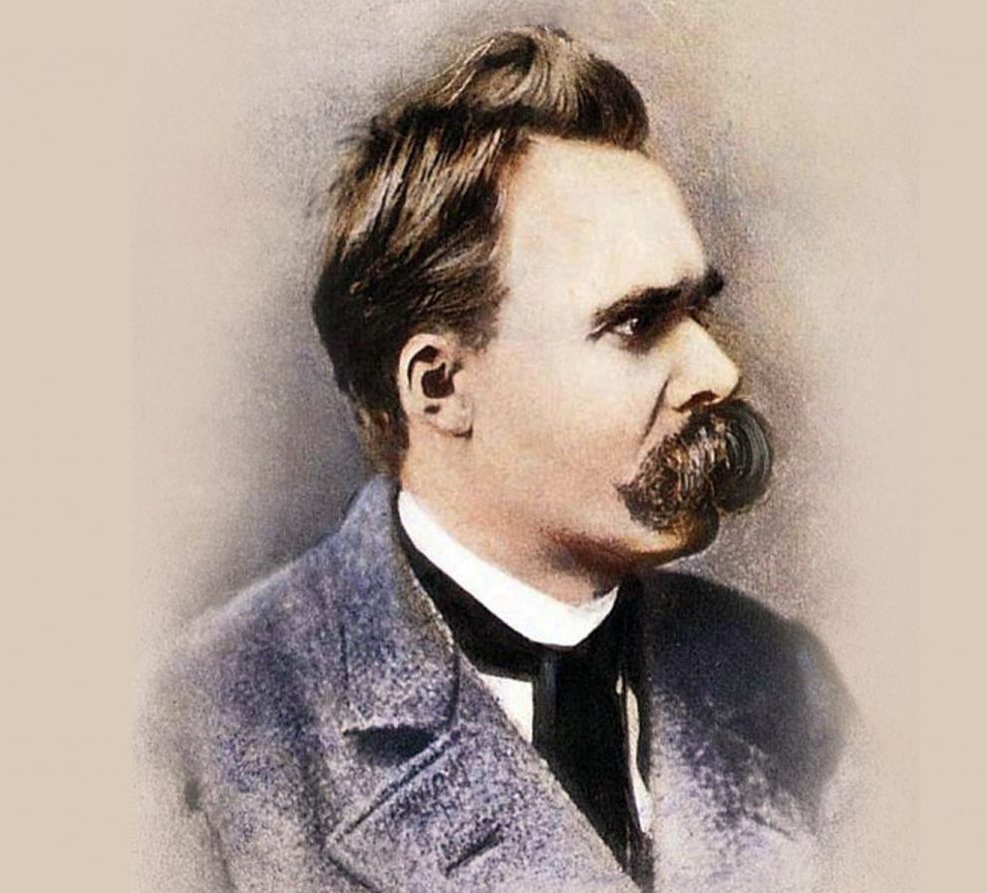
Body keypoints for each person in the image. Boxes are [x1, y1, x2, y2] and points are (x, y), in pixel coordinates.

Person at [145, 27, 857, 893]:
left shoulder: (787, 682)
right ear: (440, 385)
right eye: (637, 323)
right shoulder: (200, 736)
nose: (718, 370)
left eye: (697, 312)